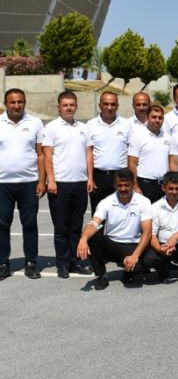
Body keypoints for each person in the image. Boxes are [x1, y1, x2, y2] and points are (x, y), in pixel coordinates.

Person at [42, 90, 92, 277]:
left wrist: (90, 178)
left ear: (76, 106)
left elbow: (89, 154)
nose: (69, 108)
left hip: (80, 183)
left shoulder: (84, 128)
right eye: (65, 105)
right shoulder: (51, 128)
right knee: (61, 228)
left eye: (72, 105)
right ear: (58, 107)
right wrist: (51, 179)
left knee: (76, 227)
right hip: (60, 184)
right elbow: (47, 155)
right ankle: (62, 263)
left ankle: (75, 262)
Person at [77, 168, 153, 290]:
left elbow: (147, 232)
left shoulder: (143, 202)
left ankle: (129, 271)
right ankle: (101, 276)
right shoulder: (106, 202)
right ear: (114, 185)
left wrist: (135, 256)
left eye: (126, 185)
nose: (123, 188)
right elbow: (94, 223)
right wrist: (83, 238)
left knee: (147, 262)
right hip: (112, 245)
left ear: (133, 184)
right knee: (92, 237)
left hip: (133, 244)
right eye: (119, 185)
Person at [0, 89, 45, 281]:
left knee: (30, 224)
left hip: (29, 183)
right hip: (3, 184)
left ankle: (31, 263)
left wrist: (42, 180)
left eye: (20, 102)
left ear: (25, 103)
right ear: (5, 104)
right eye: (12, 102)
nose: (16, 105)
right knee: (2, 225)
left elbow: (41, 154)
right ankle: (3, 264)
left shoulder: (35, 123)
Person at [142, 171, 178, 282]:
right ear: (163, 188)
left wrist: (175, 237)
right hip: (163, 246)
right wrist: (159, 249)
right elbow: (151, 234)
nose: (174, 192)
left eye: (177, 188)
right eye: (171, 189)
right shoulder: (154, 207)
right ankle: (163, 272)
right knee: (149, 259)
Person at [86, 91, 130, 214]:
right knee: (99, 214)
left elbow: (131, 152)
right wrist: (90, 178)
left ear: (117, 106)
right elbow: (89, 152)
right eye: (106, 104)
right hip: (99, 177)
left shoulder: (126, 124)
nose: (109, 108)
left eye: (113, 104)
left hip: (121, 176)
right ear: (99, 105)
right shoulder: (90, 125)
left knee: (121, 213)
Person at [127, 104, 171, 203]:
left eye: (160, 118)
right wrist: (135, 186)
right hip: (145, 185)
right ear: (147, 118)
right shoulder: (137, 137)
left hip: (164, 185)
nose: (157, 120)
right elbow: (132, 163)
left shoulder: (168, 137)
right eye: (154, 117)